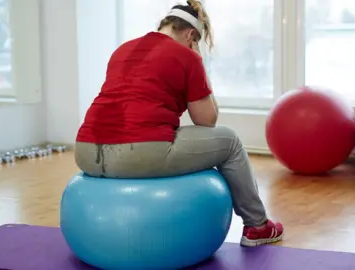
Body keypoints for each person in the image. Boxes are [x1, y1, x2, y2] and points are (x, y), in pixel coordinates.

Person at [75, 0, 284, 247]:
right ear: (191, 35)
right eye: (196, 43)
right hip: (139, 152)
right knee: (230, 141)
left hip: (86, 150)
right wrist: (199, 66)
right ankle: (257, 226)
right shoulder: (187, 56)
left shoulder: (123, 49)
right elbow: (207, 120)